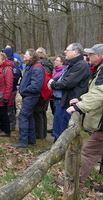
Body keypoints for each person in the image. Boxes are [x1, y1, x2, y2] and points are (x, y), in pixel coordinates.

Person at [66, 43, 103, 191]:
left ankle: (75, 184)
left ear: (99, 56)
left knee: (88, 153)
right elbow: (94, 91)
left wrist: (79, 107)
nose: (88, 56)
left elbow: (99, 93)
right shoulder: (99, 70)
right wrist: (82, 99)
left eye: (91, 54)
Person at [48, 43, 91, 141]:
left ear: (76, 52)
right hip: (61, 100)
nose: (65, 52)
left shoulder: (81, 66)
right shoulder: (72, 64)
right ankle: (55, 150)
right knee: (57, 127)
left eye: (67, 50)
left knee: (62, 129)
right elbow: (61, 77)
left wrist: (52, 85)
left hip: (67, 101)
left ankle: (59, 153)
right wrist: (52, 80)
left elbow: (67, 83)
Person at [12, 49, 44, 149]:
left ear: (32, 57)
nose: (24, 56)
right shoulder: (30, 67)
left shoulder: (37, 68)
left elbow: (36, 86)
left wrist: (24, 90)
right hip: (28, 96)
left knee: (23, 116)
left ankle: (23, 142)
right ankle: (31, 139)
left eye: (26, 54)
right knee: (29, 117)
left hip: (31, 96)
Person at [33, 47, 53, 140]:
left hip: (43, 92)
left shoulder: (44, 66)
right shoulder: (47, 64)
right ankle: (42, 132)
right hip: (45, 91)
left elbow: (43, 79)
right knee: (41, 112)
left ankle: (40, 134)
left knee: (39, 112)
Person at [0, 52, 14, 137]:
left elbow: (9, 84)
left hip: (3, 95)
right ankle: (2, 128)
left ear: (3, 60)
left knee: (3, 114)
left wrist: (6, 97)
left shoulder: (7, 69)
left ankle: (6, 130)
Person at [2, 47, 22, 131]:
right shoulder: (6, 63)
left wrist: (8, 79)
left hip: (12, 88)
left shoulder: (13, 64)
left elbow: (16, 76)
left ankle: (12, 124)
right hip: (6, 88)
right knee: (7, 108)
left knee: (10, 107)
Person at [51, 55, 66, 142]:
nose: (55, 61)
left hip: (60, 97)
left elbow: (61, 83)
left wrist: (52, 84)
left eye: (57, 60)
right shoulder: (56, 70)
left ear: (62, 62)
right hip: (55, 96)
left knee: (60, 120)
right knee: (56, 117)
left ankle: (57, 143)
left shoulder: (63, 71)